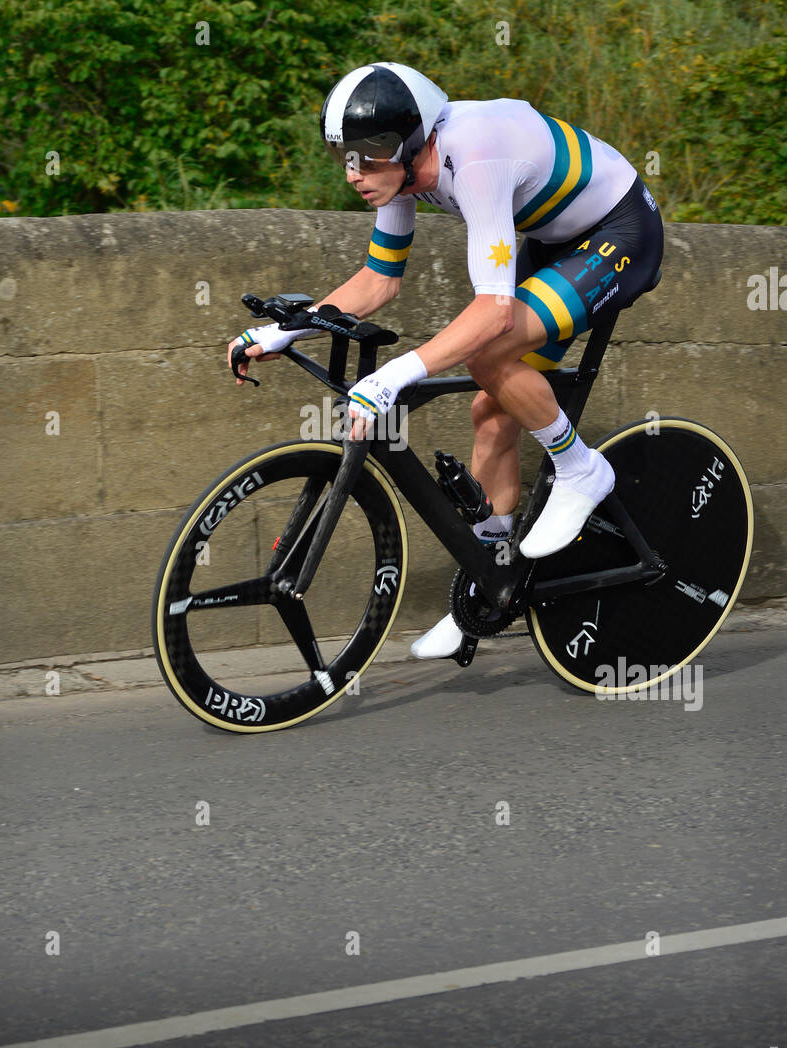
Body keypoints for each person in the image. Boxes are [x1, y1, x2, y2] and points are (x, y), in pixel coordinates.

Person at [227, 62, 664, 660]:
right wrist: (285, 331)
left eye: (368, 156)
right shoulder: (402, 175)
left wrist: (392, 376)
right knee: (492, 412)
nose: (356, 174)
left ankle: (582, 469)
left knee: (489, 356)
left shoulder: (474, 155)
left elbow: (493, 312)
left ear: (410, 140)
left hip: (619, 230)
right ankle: (491, 585)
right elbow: (380, 281)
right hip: (553, 238)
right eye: (346, 158)